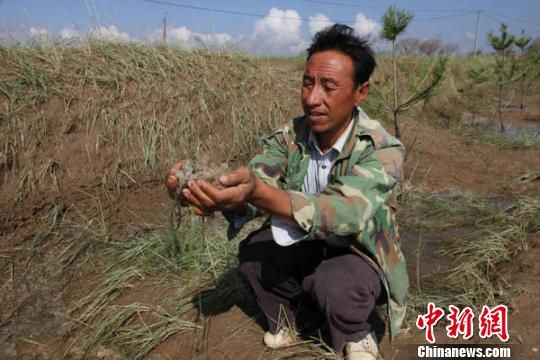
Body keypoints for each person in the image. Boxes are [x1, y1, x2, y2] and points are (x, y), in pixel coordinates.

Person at [165, 24, 408, 360]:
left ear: (360, 92)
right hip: (305, 242)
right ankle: (287, 320)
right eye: (308, 83)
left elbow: (346, 211)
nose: (312, 98)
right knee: (254, 254)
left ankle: (356, 332)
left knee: (334, 283)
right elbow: (260, 178)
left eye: (328, 86)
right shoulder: (289, 136)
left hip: (358, 251)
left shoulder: (381, 148)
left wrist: (257, 194)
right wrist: (209, 193)